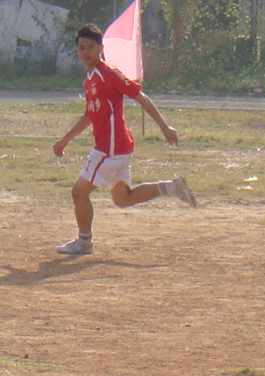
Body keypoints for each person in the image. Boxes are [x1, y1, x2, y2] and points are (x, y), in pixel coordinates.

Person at [51, 23, 197, 255]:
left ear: (101, 48)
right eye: (81, 48)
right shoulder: (90, 79)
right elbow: (89, 114)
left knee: (79, 192)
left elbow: (141, 97)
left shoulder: (108, 73)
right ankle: (171, 187)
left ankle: (84, 242)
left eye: (91, 47)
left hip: (110, 148)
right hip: (117, 147)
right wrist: (65, 139)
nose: (86, 53)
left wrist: (164, 127)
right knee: (123, 199)